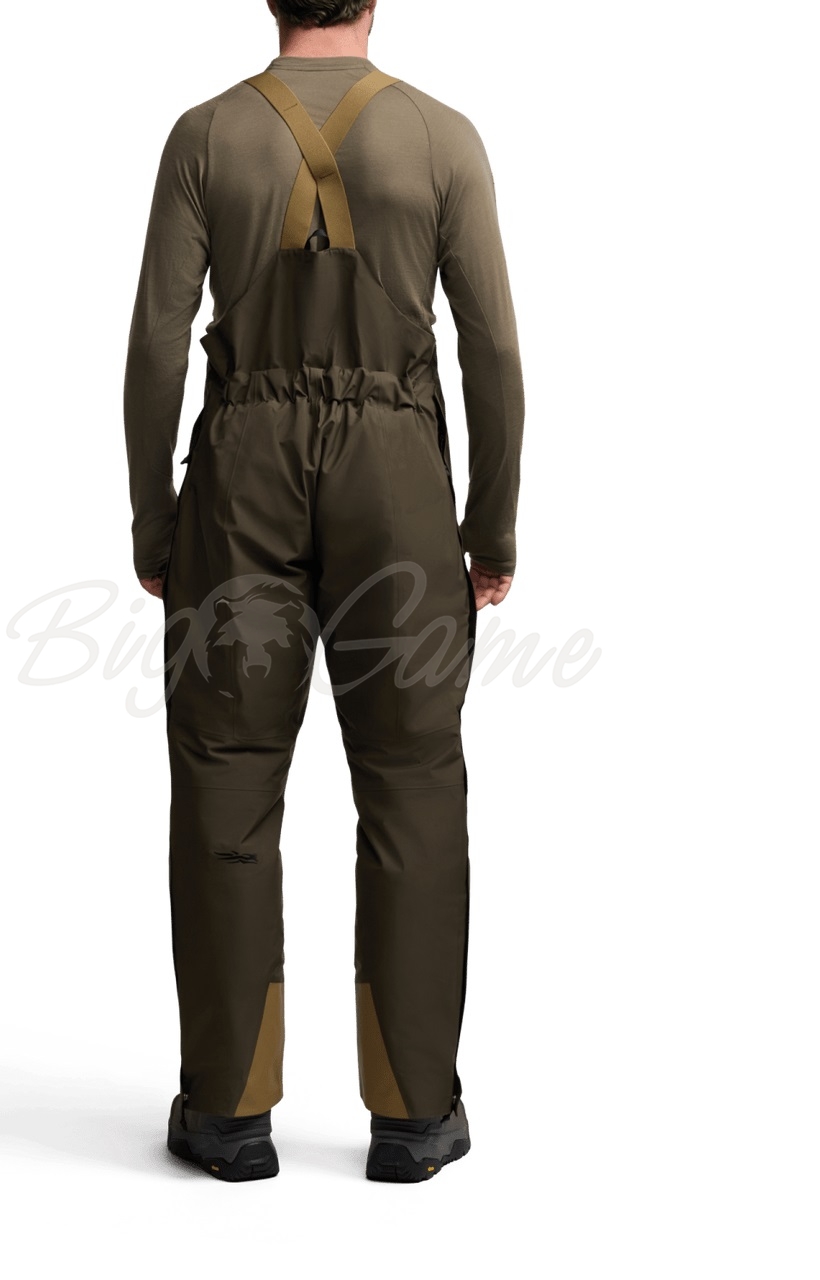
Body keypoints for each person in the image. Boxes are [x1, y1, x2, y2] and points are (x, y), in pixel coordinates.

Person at [122, 0, 524, 1182]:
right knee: (411, 780)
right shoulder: (442, 138)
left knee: (225, 776)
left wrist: (156, 521)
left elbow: (155, 344)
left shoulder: (204, 136)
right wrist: (488, 527)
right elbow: (493, 351)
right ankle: (413, 1114)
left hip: (240, 473)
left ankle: (227, 1110)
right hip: (395, 478)